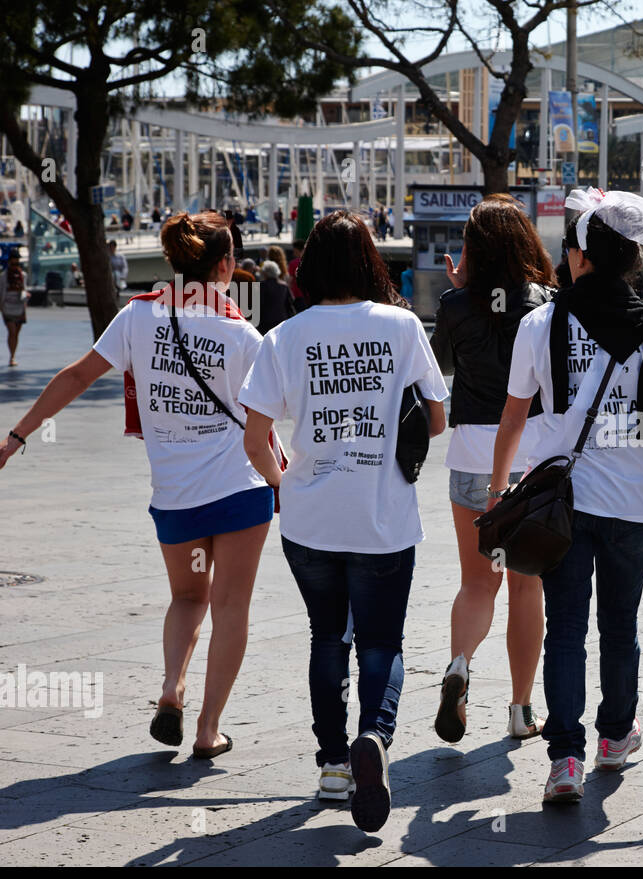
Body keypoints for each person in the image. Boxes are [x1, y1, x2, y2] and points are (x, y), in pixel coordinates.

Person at [1, 211, 276, 759]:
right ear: (225, 266)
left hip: (175, 496)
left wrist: (16, 436)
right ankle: (207, 730)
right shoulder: (242, 334)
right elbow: (264, 422)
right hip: (239, 491)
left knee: (187, 595)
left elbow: (77, 375)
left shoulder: (138, 318)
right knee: (231, 607)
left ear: (176, 261)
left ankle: (171, 687)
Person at [489, 188, 643, 803]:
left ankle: (564, 758)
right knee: (621, 624)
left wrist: (497, 488)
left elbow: (513, 417)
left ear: (584, 256)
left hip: (560, 504)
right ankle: (615, 736)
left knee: (566, 627)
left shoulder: (541, 323)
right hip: (636, 503)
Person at [239, 211, 449, 832]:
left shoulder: (284, 336)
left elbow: (255, 440)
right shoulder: (403, 326)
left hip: (309, 519)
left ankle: (333, 765)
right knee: (382, 641)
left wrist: (284, 485)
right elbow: (437, 419)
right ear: (368, 262)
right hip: (382, 516)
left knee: (326, 637)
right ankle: (374, 738)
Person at [431, 195, 554, 745]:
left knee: (477, 581)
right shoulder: (549, 305)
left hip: (469, 457)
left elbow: (444, 367)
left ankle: (460, 665)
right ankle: (521, 709)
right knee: (527, 588)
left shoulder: (456, 305)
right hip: (529, 459)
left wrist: (460, 295)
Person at [256, 260, 296, 333]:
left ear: (265, 273)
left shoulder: (261, 286)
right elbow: (291, 304)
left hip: (265, 323)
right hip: (282, 321)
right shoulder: (284, 286)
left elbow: (258, 305)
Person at [3, 254, 29, 366]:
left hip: (19, 307)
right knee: (12, 332)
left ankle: (13, 354)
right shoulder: (3, 277)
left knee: (16, 334)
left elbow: (24, 288)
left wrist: (25, 297)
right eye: (13, 264)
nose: (15, 266)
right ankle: (11, 357)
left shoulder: (23, 275)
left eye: (17, 264)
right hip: (7, 308)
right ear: (9, 263)